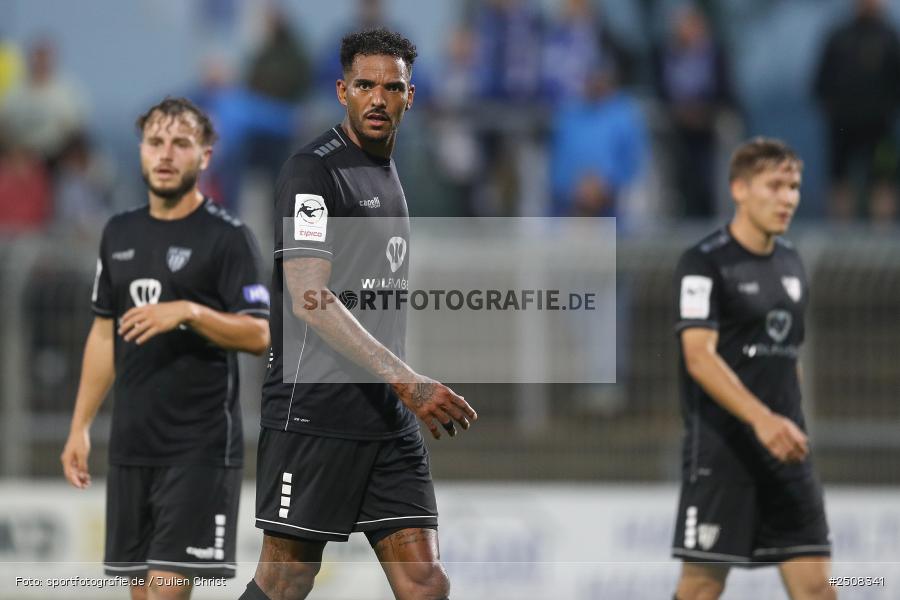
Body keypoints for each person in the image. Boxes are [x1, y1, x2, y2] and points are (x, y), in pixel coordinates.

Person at [239, 29, 477, 600]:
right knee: (286, 579)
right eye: (365, 85)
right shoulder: (311, 174)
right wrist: (408, 380)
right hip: (315, 412)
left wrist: (398, 388)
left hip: (386, 415)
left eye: (391, 88)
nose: (377, 98)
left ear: (409, 97)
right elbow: (309, 298)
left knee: (425, 582)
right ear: (342, 90)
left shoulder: (390, 171)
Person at [60, 97, 270, 600]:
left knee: (164, 594)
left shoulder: (229, 238)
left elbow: (259, 334)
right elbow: (104, 333)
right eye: (155, 142)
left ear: (205, 156)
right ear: (141, 152)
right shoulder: (119, 232)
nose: (166, 154)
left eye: (181, 143)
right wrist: (80, 428)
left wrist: (190, 312)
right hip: (132, 446)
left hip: (198, 447)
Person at [671, 138, 834, 600]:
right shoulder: (703, 262)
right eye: (775, 185)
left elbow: (788, 356)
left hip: (785, 455)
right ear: (739, 189)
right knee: (701, 587)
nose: (788, 198)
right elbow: (699, 357)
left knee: (820, 587)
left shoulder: (792, 263)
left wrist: (789, 423)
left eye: (795, 187)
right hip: (725, 456)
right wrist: (762, 419)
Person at [813, 0, 900, 222]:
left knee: (883, 181)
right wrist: (834, 108)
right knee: (840, 182)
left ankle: (884, 246)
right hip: (842, 125)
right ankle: (839, 240)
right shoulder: (839, 37)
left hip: (880, 126)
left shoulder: (890, 38)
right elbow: (820, 83)